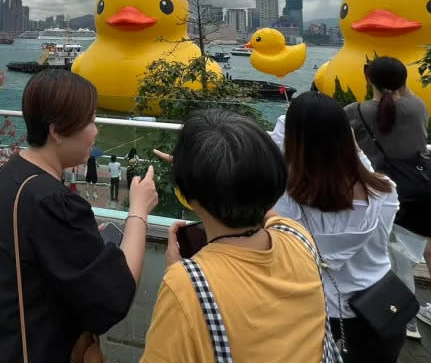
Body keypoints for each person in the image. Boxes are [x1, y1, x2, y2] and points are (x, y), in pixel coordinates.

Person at [0, 69, 158, 362]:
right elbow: (113, 296)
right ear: (56, 131)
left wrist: (82, 238)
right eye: (89, 121)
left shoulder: (13, 171)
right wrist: (138, 212)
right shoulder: (52, 201)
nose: (96, 130)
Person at [141, 108, 331, 362]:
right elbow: (264, 207)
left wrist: (175, 270)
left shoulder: (187, 286)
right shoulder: (297, 236)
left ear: (186, 193)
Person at [275, 92, 402, 362]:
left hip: (322, 315)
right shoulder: (384, 191)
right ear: (347, 136)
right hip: (383, 309)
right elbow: (360, 168)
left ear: (294, 142)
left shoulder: (288, 203)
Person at [347, 56, 431, 342]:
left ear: (368, 79)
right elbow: (404, 97)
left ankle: (403, 319)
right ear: (404, 80)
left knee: (393, 258)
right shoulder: (417, 107)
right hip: (428, 188)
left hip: (387, 192)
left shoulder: (355, 112)